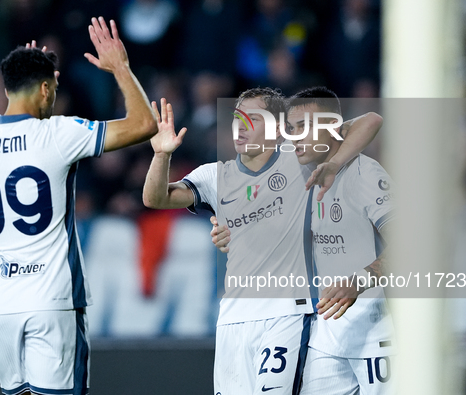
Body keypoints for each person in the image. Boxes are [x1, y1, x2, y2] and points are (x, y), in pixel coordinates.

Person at [0, 17, 157, 395]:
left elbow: (14, 122)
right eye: (52, 87)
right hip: (51, 300)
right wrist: (120, 67)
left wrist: (29, 67)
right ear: (46, 88)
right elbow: (144, 124)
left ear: (6, 87)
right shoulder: (59, 134)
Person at [142, 88, 382, 394]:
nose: (240, 126)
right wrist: (162, 154)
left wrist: (335, 163)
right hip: (233, 317)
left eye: (253, 118)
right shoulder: (216, 176)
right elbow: (154, 198)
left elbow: (370, 120)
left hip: (288, 316)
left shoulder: (301, 161)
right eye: (237, 117)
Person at [214, 87, 394, 394]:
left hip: (374, 334)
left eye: (305, 128)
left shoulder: (364, 175)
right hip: (323, 337)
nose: (295, 137)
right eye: (291, 129)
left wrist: (360, 280)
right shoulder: (296, 173)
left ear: (334, 128)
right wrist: (229, 230)